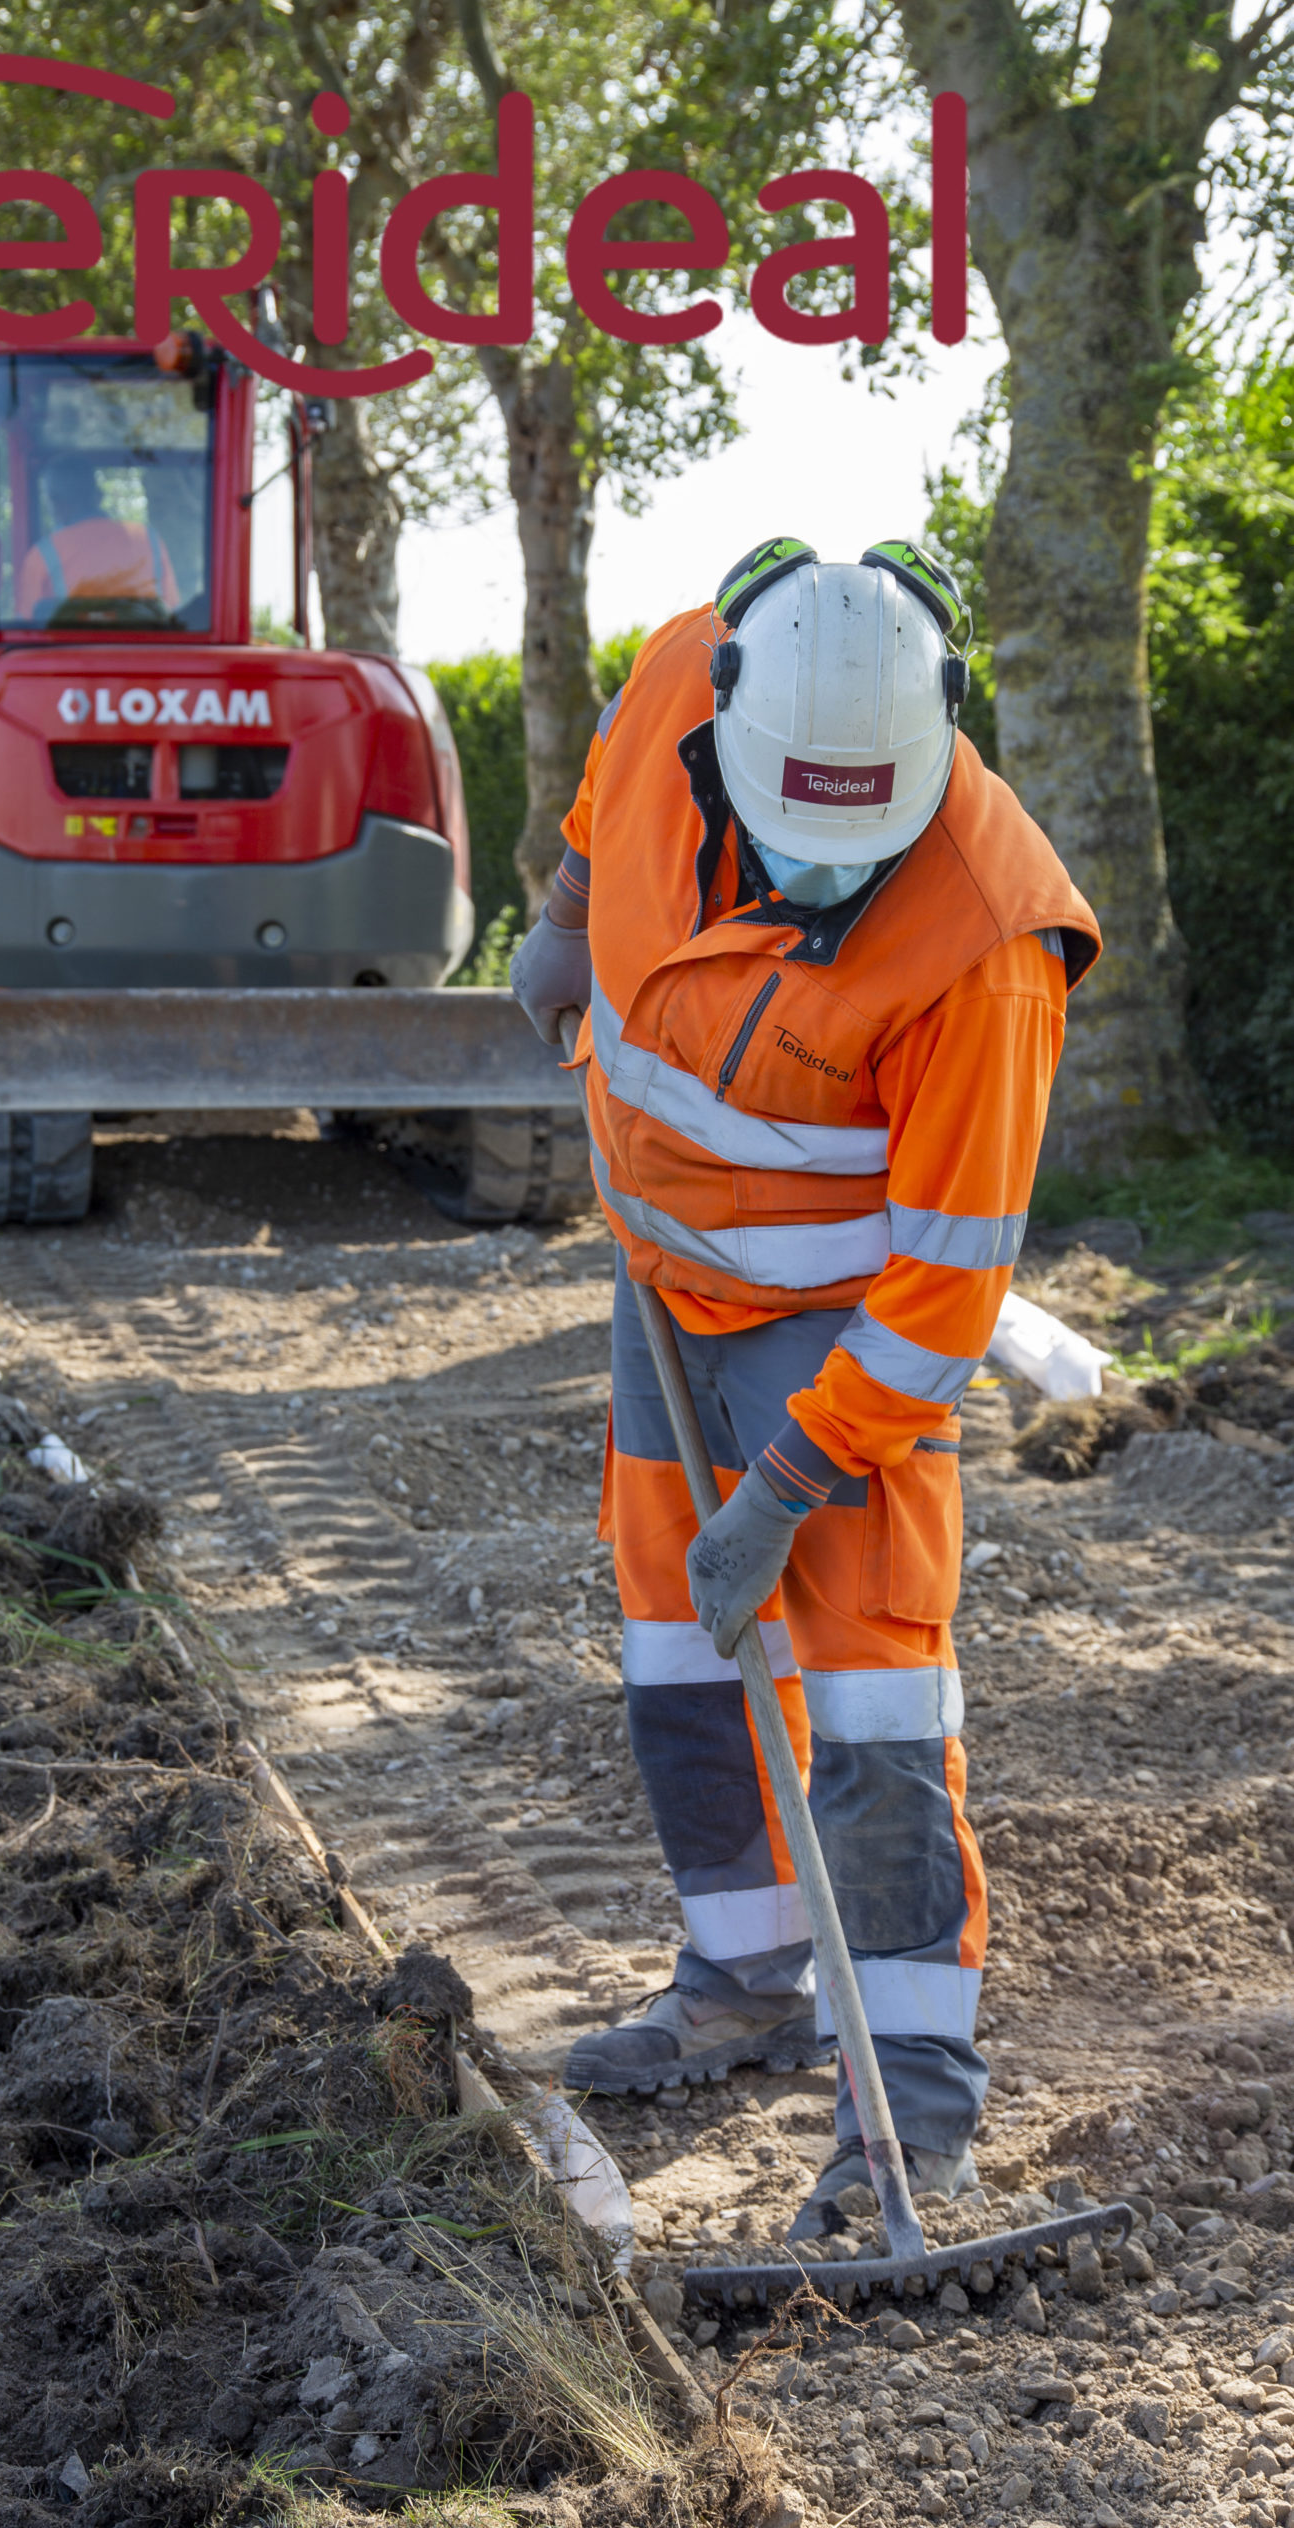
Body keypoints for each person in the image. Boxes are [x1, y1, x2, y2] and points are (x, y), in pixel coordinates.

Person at [510, 539, 1100, 2236]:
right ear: (724, 725)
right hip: (657, 1277)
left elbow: (942, 1299)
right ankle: (741, 1978)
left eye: (859, 844)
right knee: (674, 1642)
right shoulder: (677, 669)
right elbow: (599, 805)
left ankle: (908, 2115)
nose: (822, 870)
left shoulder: (984, 941)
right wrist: (563, 922)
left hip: (836, 1337)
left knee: (871, 1709)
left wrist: (784, 1488)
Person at [15, 457, 180, 623]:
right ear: (98, 496)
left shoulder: (43, 554)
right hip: (146, 639)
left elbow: (27, 625)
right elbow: (172, 609)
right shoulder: (147, 538)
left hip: (73, 641)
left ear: (54, 501)